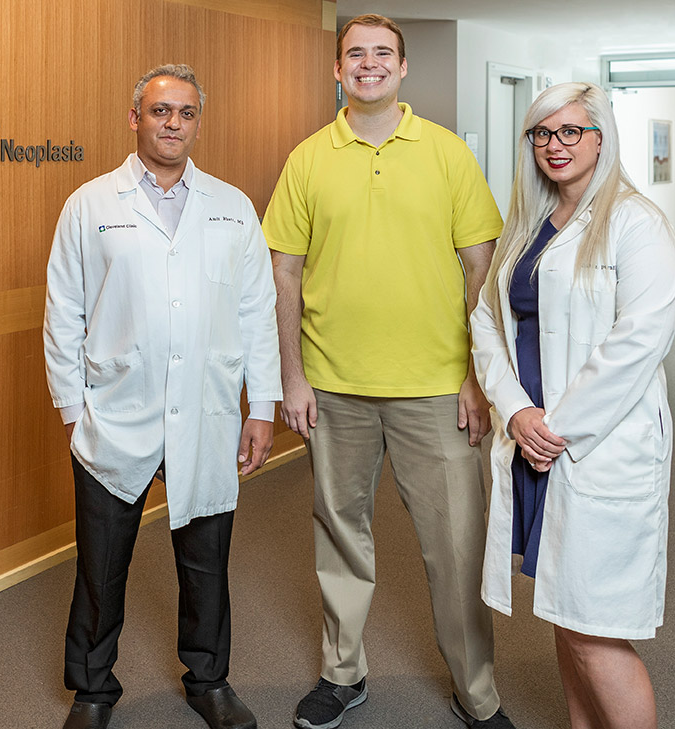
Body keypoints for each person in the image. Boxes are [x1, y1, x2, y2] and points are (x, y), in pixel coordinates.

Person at [262, 13, 515, 729]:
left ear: (403, 69)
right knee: (340, 533)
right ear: (336, 71)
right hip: (334, 385)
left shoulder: (445, 155)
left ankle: (478, 691)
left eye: (381, 54)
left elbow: (481, 271)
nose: (367, 64)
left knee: (457, 545)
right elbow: (283, 274)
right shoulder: (308, 158)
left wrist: (477, 377)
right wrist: (293, 376)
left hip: (437, 388)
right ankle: (342, 674)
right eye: (354, 54)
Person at [43, 64, 281, 729]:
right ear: (135, 118)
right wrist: (72, 407)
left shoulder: (232, 205)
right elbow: (64, 309)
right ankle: (92, 689)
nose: (171, 123)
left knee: (206, 561)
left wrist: (260, 406)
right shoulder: (91, 204)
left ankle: (209, 679)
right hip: (114, 412)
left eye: (184, 113)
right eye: (159, 111)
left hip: (206, 411)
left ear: (197, 122)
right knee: (101, 564)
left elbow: (257, 311)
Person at [470, 81, 675, 729]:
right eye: (542, 133)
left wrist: (555, 426)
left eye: (570, 132)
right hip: (533, 443)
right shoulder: (529, 224)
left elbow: (641, 339)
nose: (555, 145)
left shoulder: (634, 221)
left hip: (592, 450)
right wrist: (514, 411)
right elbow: (486, 321)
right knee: (565, 616)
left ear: (599, 138)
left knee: (596, 632)